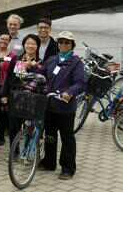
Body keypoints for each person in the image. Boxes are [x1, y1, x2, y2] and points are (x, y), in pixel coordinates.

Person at [39, 31, 85, 180]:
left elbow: (80, 83)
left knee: (67, 138)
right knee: (50, 136)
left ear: (72, 45)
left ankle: (67, 167)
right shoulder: (52, 59)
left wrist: (70, 92)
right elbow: (41, 73)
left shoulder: (76, 62)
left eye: (67, 43)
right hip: (50, 104)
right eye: (61, 42)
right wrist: (28, 68)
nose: (63, 45)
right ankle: (49, 162)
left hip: (65, 106)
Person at [1, 34, 43, 147]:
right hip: (16, 96)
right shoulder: (16, 59)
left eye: (33, 44)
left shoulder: (40, 62)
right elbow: (9, 77)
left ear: (37, 46)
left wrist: (32, 67)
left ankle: (27, 150)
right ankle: (14, 150)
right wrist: (4, 94)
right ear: (24, 45)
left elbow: (41, 79)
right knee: (13, 126)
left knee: (30, 125)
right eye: (28, 43)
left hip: (32, 98)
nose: (30, 46)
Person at [0, 32, 13, 145]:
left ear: (9, 41)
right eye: (2, 38)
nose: (3, 41)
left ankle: (1, 135)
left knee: (2, 111)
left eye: (6, 39)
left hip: (4, 86)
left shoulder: (12, 55)